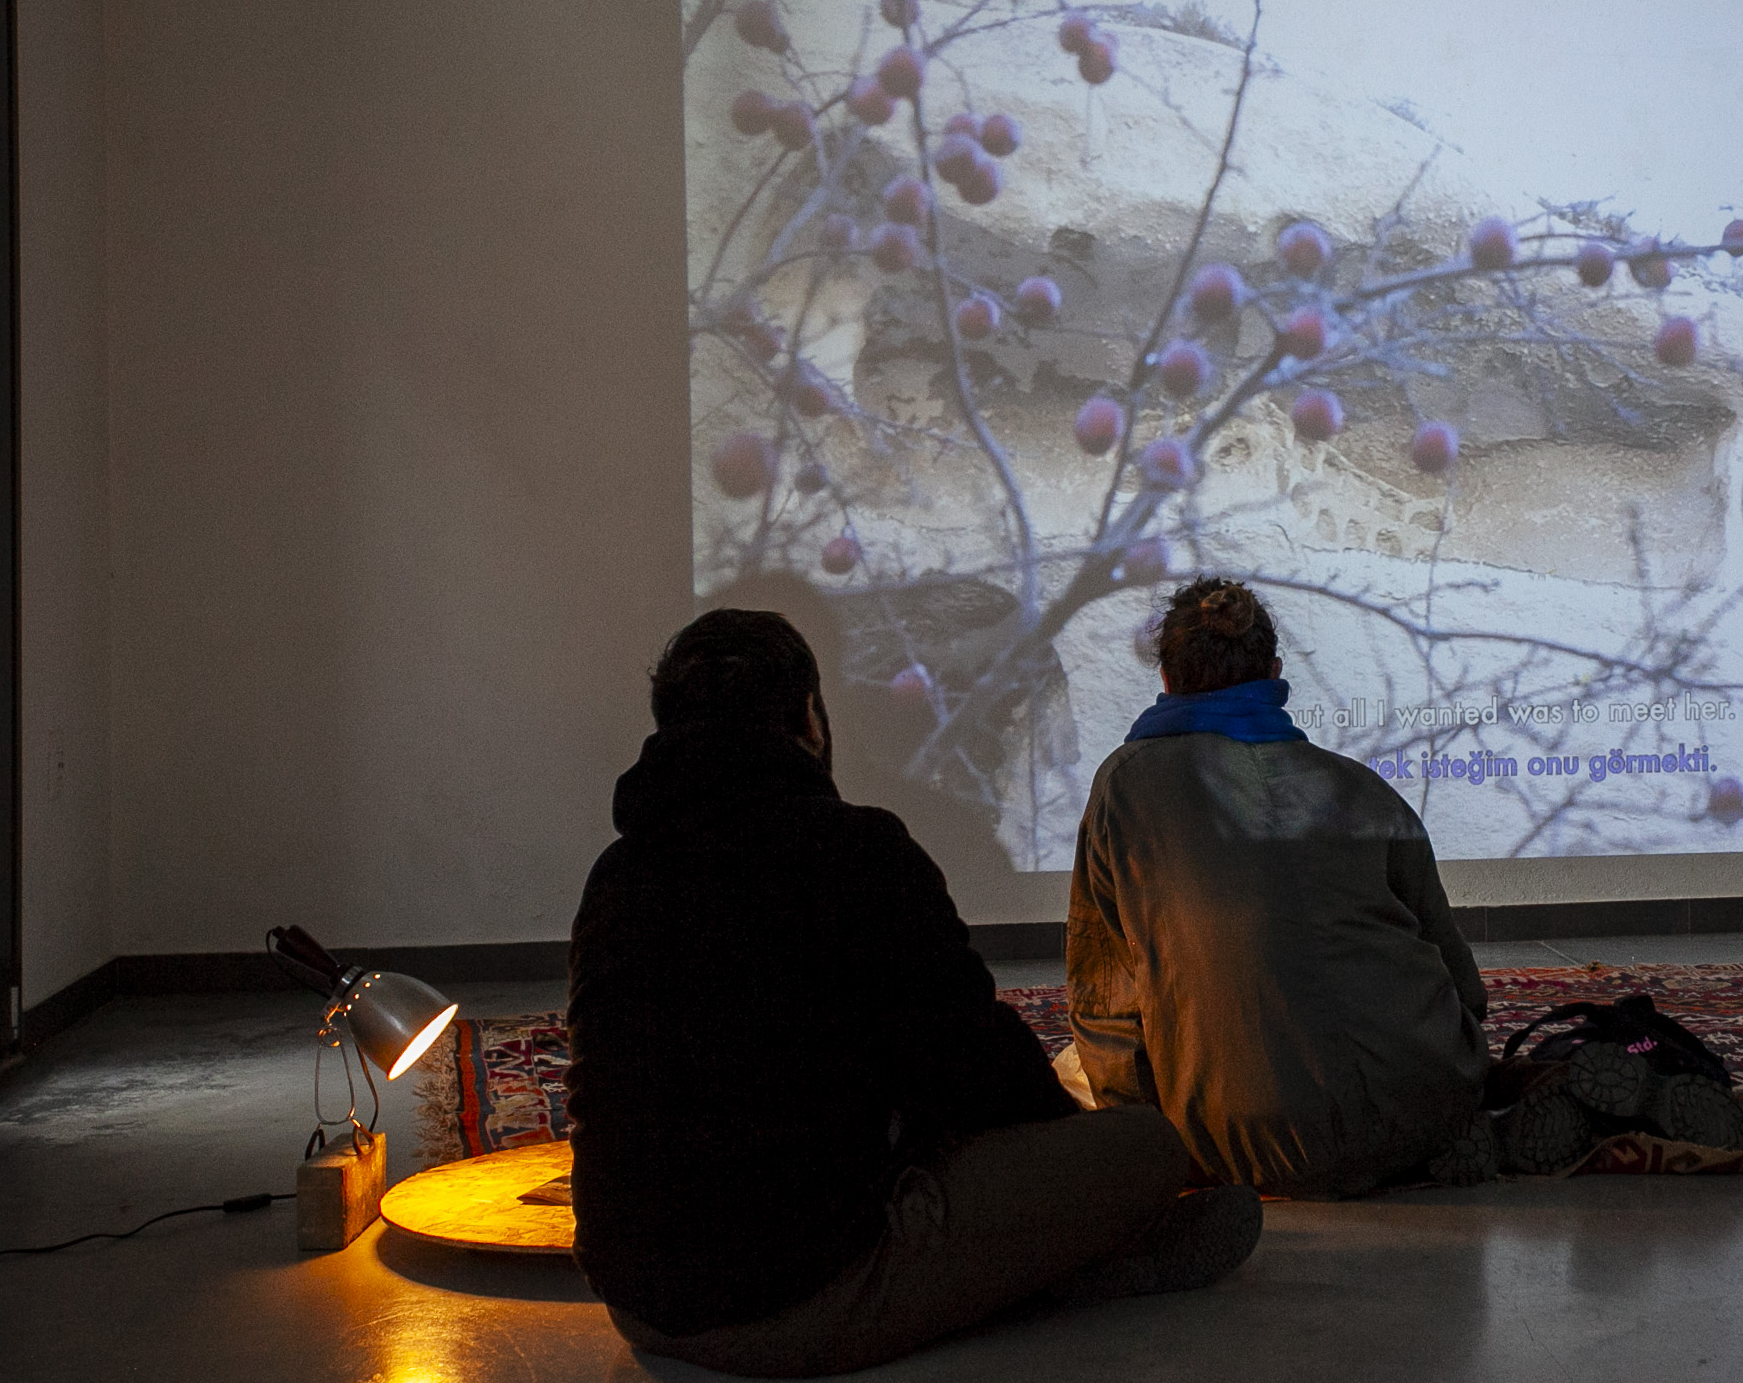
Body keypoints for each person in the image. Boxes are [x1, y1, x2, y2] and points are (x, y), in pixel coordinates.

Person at [569, 608, 1259, 1377]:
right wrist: (1063, 1159)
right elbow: (977, 1071)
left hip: (637, 1304)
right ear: (809, 719)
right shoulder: (857, 851)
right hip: (798, 1299)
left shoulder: (616, 875)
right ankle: (1075, 1269)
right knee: (1146, 1147)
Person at [1064, 578, 1496, 1197]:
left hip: (1245, 1140)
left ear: (1165, 678)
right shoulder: (1361, 786)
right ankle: (1443, 1138)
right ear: (1274, 673)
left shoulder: (1123, 786)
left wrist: (1147, 1141)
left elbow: (1105, 1001)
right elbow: (1462, 985)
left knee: (1069, 1070)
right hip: (1428, 1103)